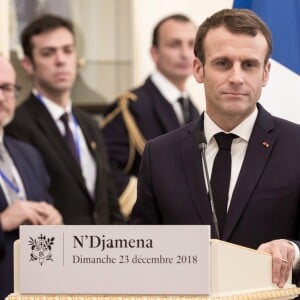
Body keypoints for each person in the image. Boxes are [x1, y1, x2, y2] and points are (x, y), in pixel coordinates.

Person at [130, 8, 300, 288]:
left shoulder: (296, 147)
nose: (236, 77)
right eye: (223, 63)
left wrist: (293, 250)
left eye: (249, 64)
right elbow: (139, 251)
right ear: (199, 69)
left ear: (266, 72)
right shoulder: (158, 154)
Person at [5, 14, 124, 225]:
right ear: (28, 64)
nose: (61, 60)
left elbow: (108, 199)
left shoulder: (89, 123)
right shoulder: (18, 124)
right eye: (48, 53)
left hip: (103, 252)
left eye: (68, 50)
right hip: (58, 249)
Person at [101, 14, 200, 217]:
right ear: (155, 53)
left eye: (191, 45)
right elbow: (104, 170)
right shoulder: (130, 108)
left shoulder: (193, 109)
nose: (184, 53)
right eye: (174, 45)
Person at [0, 55, 63, 300]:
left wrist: (56, 223)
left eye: (6, 88)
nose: (1, 98)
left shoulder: (29, 154)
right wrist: (3, 221)